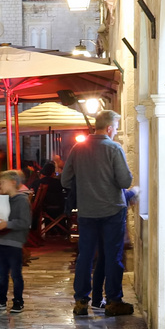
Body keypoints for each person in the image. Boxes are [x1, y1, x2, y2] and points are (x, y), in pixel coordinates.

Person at [63, 109, 135, 316]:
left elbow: (65, 180)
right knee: (113, 256)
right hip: (112, 210)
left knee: (85, 256)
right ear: (110, 128)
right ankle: (114, 301)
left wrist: (86, 183)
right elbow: (125, 181)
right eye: (116, 129)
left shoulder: (78, 148)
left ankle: (81, 301)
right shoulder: (114, 148)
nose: (116, 133)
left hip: (87, 211)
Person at [0, 170, 30, 312]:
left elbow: (25, 222)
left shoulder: (21, 200)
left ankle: (18, 300)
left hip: (14, 242)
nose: (0, 185)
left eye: (3, 182)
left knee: (16, 274)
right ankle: (0, 300)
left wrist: (8, 224)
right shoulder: (1, 198)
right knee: (1, 273)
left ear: (13, 183)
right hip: (1, 241)